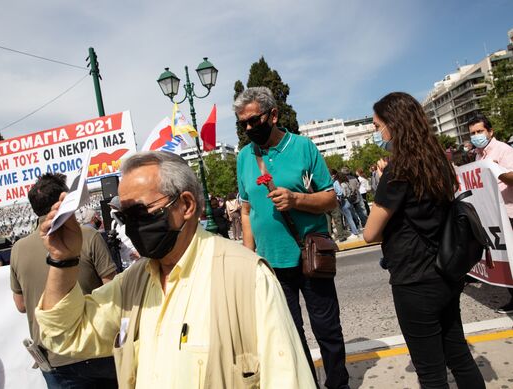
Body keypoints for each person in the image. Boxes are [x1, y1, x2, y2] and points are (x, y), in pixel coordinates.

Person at [35, 151, 316, 388]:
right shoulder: (132, 284)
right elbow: (65, 335)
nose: (132, 225)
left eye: (141, 213)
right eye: (124, 216)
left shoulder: (246, 278)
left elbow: (287, 379)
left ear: (186, 205)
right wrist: (63, 259)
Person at [364, 92, 485, 388]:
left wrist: (383, 182)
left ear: (394, 124)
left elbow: (370, 233)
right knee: (458, 354)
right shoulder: (438, 163)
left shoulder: (398, 170)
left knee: (431, 373)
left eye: (379, 125)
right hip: (446, 271)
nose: (378, 132)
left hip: (414, 278)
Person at [234, 87, 349, 389]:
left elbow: (330, 199)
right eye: (242, 123)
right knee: (289, 335)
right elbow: (246, 211)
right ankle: (306, 382)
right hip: (272, 264)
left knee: (327, 328)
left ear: (273, 115)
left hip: (310, 257)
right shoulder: (245, 157)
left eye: (254, 120)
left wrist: (297, 200)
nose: (248, 128)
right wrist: (249, 258)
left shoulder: (303, 147)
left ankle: (338, 384)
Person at [10, 173, 118, 388]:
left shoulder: (18, 249)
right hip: (96, 349)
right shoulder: (88, 236)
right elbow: (112, 288)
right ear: (66, 198)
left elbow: (21, 305)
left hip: (54, 357)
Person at [468, 113, 513, 314]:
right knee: (505, 259)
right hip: (494, 216)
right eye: (473, 133)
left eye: (480, 131)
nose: (476, 135)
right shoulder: (479, 154)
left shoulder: (502, 150)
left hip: (510, 212)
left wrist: (494, 169)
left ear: (490, 131)